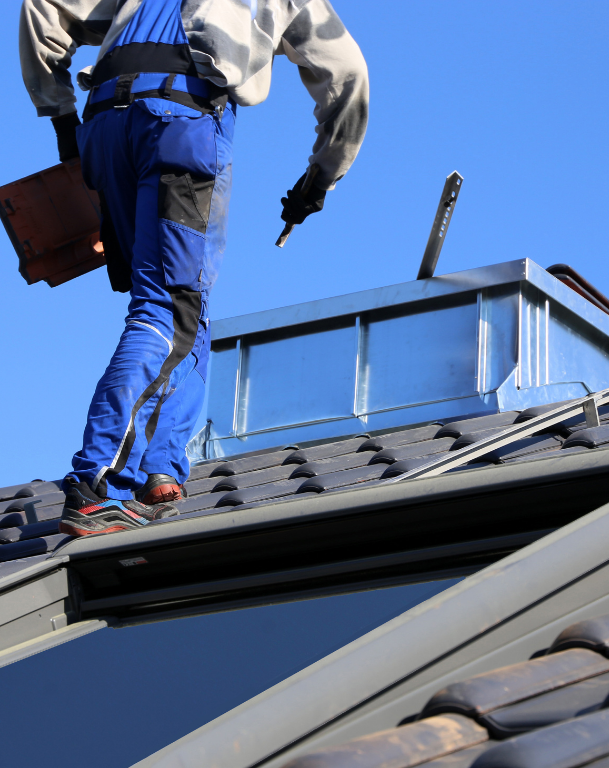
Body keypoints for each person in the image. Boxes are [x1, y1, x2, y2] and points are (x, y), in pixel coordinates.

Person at [19, 0, 369, 537]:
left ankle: (160, 467)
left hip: (106, 128)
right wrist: (320, 177)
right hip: (180, 119)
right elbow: (348, 78)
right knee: (168, 310)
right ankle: (98, 484)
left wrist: (63, 117)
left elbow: (43, 6)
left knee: (187, 300)